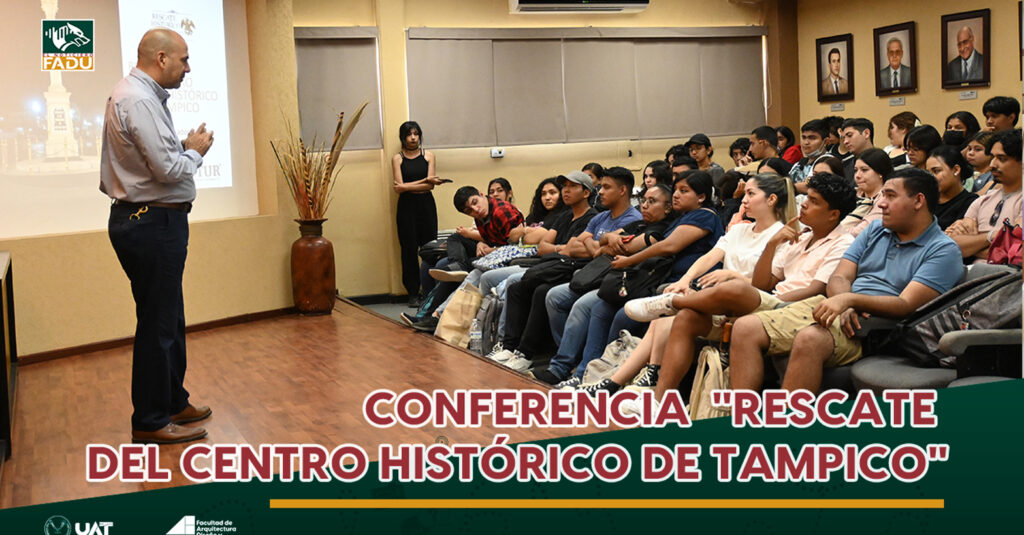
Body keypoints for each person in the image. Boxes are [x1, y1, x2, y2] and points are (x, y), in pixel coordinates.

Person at [617, 173, 857, 403]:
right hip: (770, 300)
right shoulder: (799, 236)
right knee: (688, 317)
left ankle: (671, 303)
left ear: (833, 214)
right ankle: (660, 399)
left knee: (735, 288)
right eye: (807, 198)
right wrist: (772, 246)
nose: (804, 205)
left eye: (813, 202)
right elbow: (765, 282)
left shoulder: (842, 242)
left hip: (794, 306)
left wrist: (764, 294)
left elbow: (816, 289)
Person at [730, 167, 964, 393]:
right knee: (745, 327)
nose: (880, 203)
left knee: (810, 338)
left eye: (890, 196)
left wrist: (851, 301)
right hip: (840, 306)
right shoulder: (875, 229)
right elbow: (840, 275)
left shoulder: (942, 250)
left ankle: (788, 428)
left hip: (876, 327)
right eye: (882, 195)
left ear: (918, 201)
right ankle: (739, 420)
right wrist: (845, 301)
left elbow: (905, 304)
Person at [577, 173, 794, 395]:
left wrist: (733, 277)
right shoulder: (740, 229)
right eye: (744, 193)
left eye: (750, 193)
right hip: (715, 300)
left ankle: (675, 303)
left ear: (771, 199)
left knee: (710, 294)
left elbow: (768, 283)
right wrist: (684, 281)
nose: (743, 199)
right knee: (668, 317)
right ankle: (620, 382)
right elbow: (709, 257)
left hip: (750, 302)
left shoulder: (782, 234)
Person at [101, 28, 214, 444]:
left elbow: (157, 160)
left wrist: (180, 149)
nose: (188, 68)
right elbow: (168, 171)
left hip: (153, 222)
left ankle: (172, 401)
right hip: (150, 223)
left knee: (169, 317)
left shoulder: (139, 96)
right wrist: (196, 150)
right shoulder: (139, 99)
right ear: (161, 58)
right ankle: (149, 420)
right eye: (183, 59)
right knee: (157, 324)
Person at [492, 168, 638, 371]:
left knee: (546, 292)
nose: (601, 192)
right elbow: (553, 247)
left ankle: (548, 356)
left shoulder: (627, 218)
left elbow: (589, 251)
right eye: (564, 187)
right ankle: (510, 347)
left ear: (622, 190)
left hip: (596, 273)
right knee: (517, 287)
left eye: (606, 187)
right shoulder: (595, 218)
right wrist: (594, 244)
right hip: (570, 266)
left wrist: (591, 244)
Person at [946, 129, 1023, 263]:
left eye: (1002, 158)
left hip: (1009, 278)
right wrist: (992, 236)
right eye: (993, 157)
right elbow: (953, 245)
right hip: (973, 276)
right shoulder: (983, 200)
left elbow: (1014, 253)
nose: (993, 164)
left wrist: (972, 246)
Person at [392, 120, 442, 307]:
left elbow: (430, 186)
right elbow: (399, 189)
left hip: (426, 204)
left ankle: (431, 291)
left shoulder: (429, 155)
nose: (413, 138)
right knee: (408, 249)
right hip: (406, 206)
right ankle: (413, 293)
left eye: (416, 133)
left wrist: (406, 185)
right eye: (409, 134)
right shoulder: (397, 158)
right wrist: (423, 180)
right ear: (403, 137)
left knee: (430, 248)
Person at [840, 148, 893, 236]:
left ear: (880, 172)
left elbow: (859, 233)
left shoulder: (884, 200)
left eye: (864, 170)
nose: (857, 175)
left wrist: (836, 234)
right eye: (856, 170)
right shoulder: (851, 195)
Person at [927, 145, 977, 230]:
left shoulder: (971, 203)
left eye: (936, 171)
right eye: (928, 173)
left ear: (956, 170)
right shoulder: (925, 199)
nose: (931, 177)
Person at [789, 119, 831, 189]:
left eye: (812, 138)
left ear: (826, 141)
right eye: (804, 137)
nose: (806, 142)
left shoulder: (829, 162)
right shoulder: (799, 164)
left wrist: (788, 187)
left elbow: (813, 188)